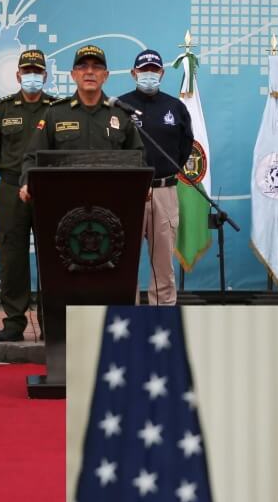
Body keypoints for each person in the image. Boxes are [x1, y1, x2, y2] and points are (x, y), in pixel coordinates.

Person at [0, 48, 57, 342]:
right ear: (17, 75)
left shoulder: (57, 107)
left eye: (37, 72)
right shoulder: (3, 109)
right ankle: (14, 321)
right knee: (12, 256)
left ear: (45, 75)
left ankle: (50, 321)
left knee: (53, 256)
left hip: (50, 190)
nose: (32, 76)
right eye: (27, 71)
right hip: (12, 188)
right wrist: (14, 177)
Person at [116, 48, 193, 306]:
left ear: (161, 72)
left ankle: (162, 318)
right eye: (143, 70)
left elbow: (184, 148)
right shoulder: (119, 108)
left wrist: (162, 173)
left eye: (154, 70)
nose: (148, 74)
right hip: (128, 192)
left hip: (164, 191)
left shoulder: (176, 108)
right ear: (133, 73)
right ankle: (126, 318)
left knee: (163, 264)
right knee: (123, 260)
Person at [18, 44, 144, 200]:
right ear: (73, 75)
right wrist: (27, 182)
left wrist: (143, 185)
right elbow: (32, 157)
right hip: (63, 200)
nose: (89, 72)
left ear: (105, 75)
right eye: (83, 67)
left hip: (112, 201)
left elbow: (138, 157)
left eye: (96, 67)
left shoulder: (120, 113)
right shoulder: (55, 113)